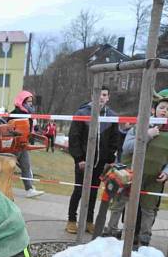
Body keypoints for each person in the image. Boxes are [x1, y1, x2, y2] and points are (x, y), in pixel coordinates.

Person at [104, 97, 168, 247]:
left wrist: (166, 172)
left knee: (148, 209)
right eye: (162, 107)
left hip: (154, 178)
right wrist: (148, 135)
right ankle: (110, 231)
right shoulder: (141, 126)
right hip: (129, 173)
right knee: (119, 203)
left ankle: (144, 239)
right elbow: (127, 147)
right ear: (154, 110)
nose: (165, 111)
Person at [66, 86, 122, 234]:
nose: (101, 97)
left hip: (101, 163)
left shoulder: (112, 116)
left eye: (104, 94)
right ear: (92, 95)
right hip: (83, 162)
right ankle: (71, 220)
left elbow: (114, 141)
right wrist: (79, 159)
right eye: (98, 94)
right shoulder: (82, 113)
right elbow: (74, 138)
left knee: (93, 192)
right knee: (78, 190)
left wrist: (109, 160)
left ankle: (89, 221)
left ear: (108, 97)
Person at [0, 92, 45, 198]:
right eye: (28, 101)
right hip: (14, 145)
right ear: (22, 102)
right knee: (8, 167)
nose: (31, 104)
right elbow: (8, 128)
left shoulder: (29, 114)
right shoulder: (16, 113)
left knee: (26, 166)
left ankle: (29, 189)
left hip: (23, 144)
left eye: (31, 101)